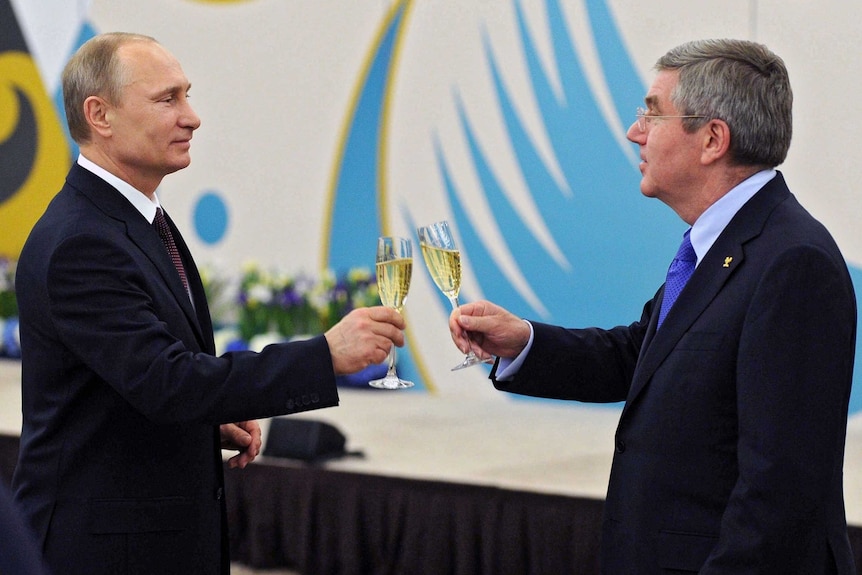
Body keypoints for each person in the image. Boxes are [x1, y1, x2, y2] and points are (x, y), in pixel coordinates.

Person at [450, 39, 857, 574]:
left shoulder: (793, 263)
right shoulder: (720, 244)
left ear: (712, 139)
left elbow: (779, 491)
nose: (633, 131)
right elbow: (640, 357)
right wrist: (525, 342)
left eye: (652, 113)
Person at [12, 32, 405, 575]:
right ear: (99, 115)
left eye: (187, 95)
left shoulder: (135, 220)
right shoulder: (83, 242)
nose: (192, 117)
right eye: (167, 99)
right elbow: (168, 383)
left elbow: (131, 385)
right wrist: (324, 354)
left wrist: (205, 423)